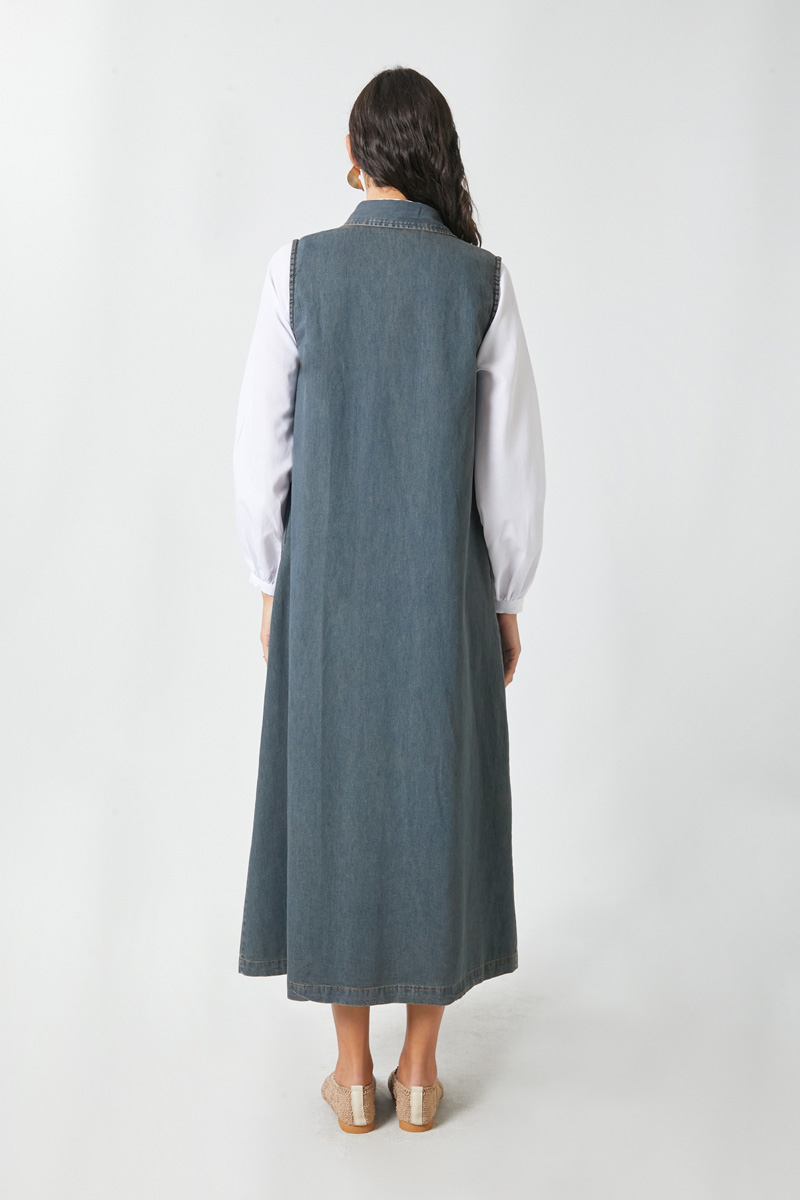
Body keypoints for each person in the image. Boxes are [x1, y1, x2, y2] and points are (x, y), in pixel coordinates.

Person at [233, 66, 545, 1134]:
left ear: (356, 155)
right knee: (435, 801)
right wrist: (505, 597)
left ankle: (351, 1074)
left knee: (336, 803)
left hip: (324, 592)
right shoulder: (480, 282)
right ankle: (419, 1074)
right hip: (440, 591)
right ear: (434, 154)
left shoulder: (298, 270)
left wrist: (271, 579)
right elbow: (510, 468)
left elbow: (259, 452)